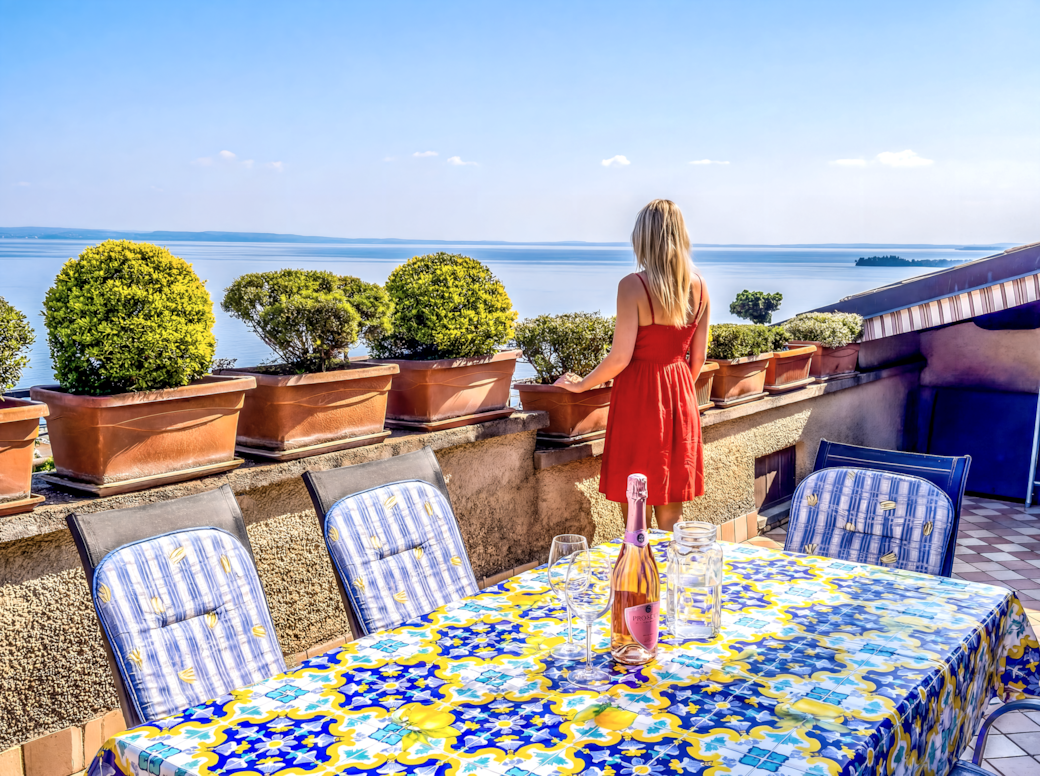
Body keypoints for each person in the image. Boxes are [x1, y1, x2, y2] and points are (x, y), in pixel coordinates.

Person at [555, 199, 709, 531]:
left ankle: (638, 578)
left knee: (635, 513)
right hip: (680, 396)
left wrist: (582, 384)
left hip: (639, 399)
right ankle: (670, 578)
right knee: (672, 509)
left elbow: (619, 358)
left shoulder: (632, 286)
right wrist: (677, 389)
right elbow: (698, 359)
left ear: (644, 238)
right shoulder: (700, 286)